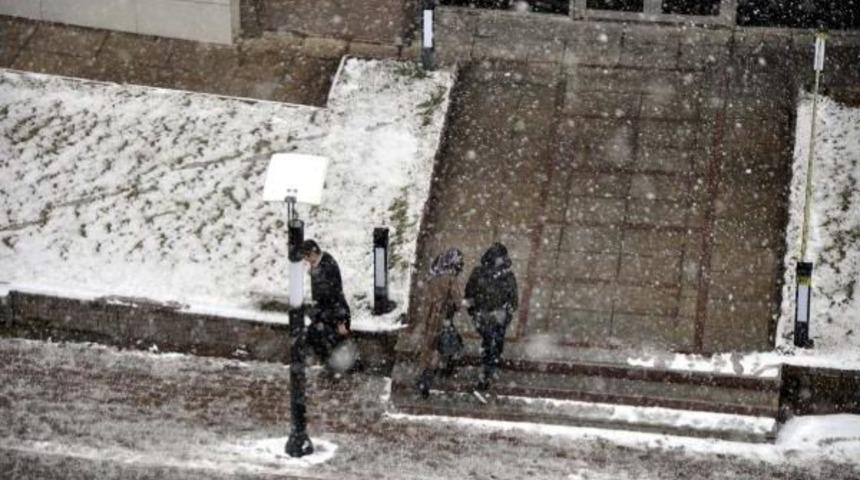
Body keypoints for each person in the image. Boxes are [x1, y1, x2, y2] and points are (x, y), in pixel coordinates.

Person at [464, 242, 518, 401]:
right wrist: (475, 313)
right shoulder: (478, 273)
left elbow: (514, 300)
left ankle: (487, 374)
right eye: (498, 256)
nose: (500, 260)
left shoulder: (508, 276)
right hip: (482, 316)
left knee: (495, 345)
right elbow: (469, 295)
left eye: (502, 256)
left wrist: (505, 313)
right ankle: (485, 376)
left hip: (499, 319)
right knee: (490, 344)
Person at [415, 248, 465, 398]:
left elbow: (425, 298)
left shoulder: (432, 276)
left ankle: (424, 379)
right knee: (451, 346)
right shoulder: (450, 278)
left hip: (428, 319)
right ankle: (437, 376)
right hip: (442, 319)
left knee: (429, 349)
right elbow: (457, 301)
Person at [301, 239, 352, 370]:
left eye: (307, 257)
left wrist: (341, 321)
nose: (307, 261)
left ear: (313, 252)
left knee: (336, 346)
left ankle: (341, 371)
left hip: (334, 314)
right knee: (314, 337)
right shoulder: (317, 265)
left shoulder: (328, 265)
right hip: (324, 314)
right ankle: (328, 368)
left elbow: (336, 293)